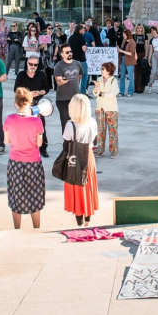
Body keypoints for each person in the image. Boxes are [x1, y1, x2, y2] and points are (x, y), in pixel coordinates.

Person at [3, 87, 46, 229]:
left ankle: (17, 229)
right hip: (33, 162)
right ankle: (36, 228)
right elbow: (39, 143)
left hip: (15, 162)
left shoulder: (9, 119)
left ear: (16, 104)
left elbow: (6, 141)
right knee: (35, 196)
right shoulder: (36, 121)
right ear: (30, 103)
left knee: (16, 197)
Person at [63, 94, 100, 227]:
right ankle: (88, 220)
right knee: (88, 185)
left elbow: (66, 145)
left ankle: (79, 220)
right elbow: (94, 141)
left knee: (76, 186)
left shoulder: (70, 125)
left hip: (74, 157)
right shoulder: (92, 122)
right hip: (88, 156)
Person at [14, 55, 50, 156]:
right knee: (24, 127)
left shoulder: (41, 75)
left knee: (40, 126)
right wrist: (27, 94)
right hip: (24, 104)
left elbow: (46, 88)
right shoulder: (21, 75)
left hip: (38, 104)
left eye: (35, 65)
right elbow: (16, 89)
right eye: (31, 64)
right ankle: (25, 147)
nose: (33, 66)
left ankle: (43, 148)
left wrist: (39, 93)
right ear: (27, 63)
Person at [53, 44, 83, 134]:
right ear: (62, 54)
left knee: (77, 122)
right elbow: (58, 81)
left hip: (76, 98)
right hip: (63, 99)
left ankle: (75, 141)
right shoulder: (58, 66)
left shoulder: (78, 63)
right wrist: (62, 81)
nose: (70, 53)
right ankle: (66, 142)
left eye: (70, 51)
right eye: (67, 52)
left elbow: (80, 76)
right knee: (66, 122)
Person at [93, 62, 119, 157]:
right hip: (99, 108)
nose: (101, 70)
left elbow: (112, 93)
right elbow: (95, 93)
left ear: (108, 71)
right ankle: (100, 149)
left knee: (112, 130)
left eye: (103, 69)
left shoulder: (113, 81)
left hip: (111, 108)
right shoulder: (99, 79)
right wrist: (97, 87)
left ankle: (114, 150)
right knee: (100, 129)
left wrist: (101, 93)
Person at [146, 26, 158, 94]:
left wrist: (157, 27)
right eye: (151, 31)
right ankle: (150, 84)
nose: (153, 32)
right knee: (154, 71)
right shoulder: (151, 40)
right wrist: (149, 60)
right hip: (155, 54)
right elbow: (151, 50)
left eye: (154, 30)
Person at [118, 30, 136, 97]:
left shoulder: (132, 42)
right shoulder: (124, 41)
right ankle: (121, 91)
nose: (123, 36)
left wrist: (121, 51)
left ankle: (130, 91)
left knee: (130, 77)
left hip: (130, 60)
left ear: (127, 35)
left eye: (124, 34)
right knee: (122, 76)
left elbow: (131, 53)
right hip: (123, 59)